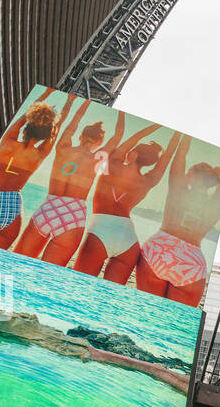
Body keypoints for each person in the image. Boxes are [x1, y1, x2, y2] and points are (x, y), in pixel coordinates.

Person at [0, 88, 74, 249]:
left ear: (26, 128)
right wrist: (70, 101)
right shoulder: (40, 154)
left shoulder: (8, 142)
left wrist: (47, 93)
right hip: (12, 207)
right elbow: (58, 127)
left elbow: (25, 115)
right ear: (45, 136)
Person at [73, 112, 175, 284]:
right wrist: (176, 136)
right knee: (109, 298)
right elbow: (166, 158)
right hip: (128, 239)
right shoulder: (148, 181)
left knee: (78, 285)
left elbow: (136, 137)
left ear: (133, 154)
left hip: (100, 229)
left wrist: (157, 126)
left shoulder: (113, 163)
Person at [134, 135, 220, 306]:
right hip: (191, 261)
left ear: (194, 176)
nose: (185, 174)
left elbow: (181, 154)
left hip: (160, 248)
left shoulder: (178, 189)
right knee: (174, 326)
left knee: (145, 313)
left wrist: (187, 135)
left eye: (189, 171)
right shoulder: (216, 203)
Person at [13, 99, 104, 266]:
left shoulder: (63, 148)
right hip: (74, 214)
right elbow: (117, 139)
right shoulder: (96, 159)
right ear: (99, 143)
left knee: (17, 263)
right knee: (47, 276)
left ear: (80, 136)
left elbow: (72, 123)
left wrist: (81, 102)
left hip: (49, 208)